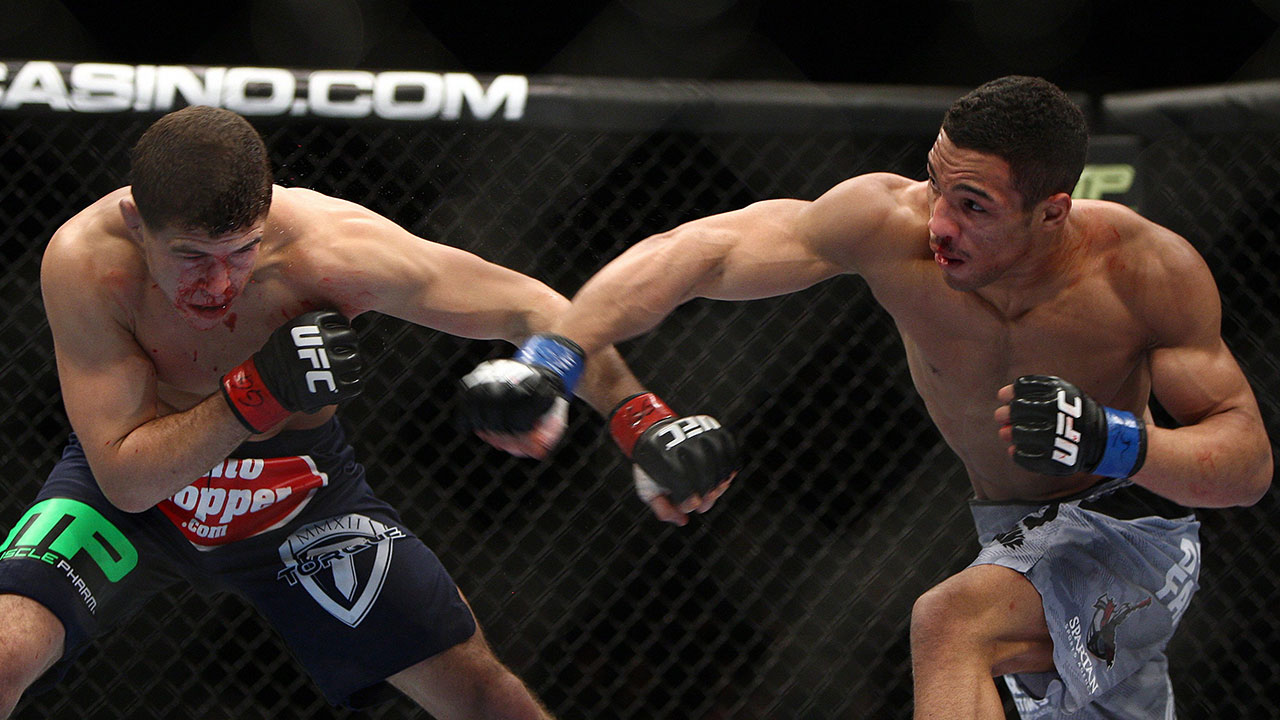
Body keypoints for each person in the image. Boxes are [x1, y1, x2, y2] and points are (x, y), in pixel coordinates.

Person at [461, 76, 1273, 718]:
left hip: (1131, 524)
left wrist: (1112, 438)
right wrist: (554, 356)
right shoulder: (889, 225)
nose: (939, 224)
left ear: (1052, 211)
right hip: (1009, 528)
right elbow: (701, 251)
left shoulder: (1144, 273)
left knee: (952, 622)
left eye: (975, 206)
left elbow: (1245, 465)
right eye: (935, 184)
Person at [0, 105, 662, 719]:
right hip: (131, 496)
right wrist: (257, 392)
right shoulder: (87, 263)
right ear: (137, 224)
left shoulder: (331, 252)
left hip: (295, 491)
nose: (221, 283)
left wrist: (640, 417)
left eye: (241, 250)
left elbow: (530, 308)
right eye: (192, 257)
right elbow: (126, 480)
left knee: (486, 696)